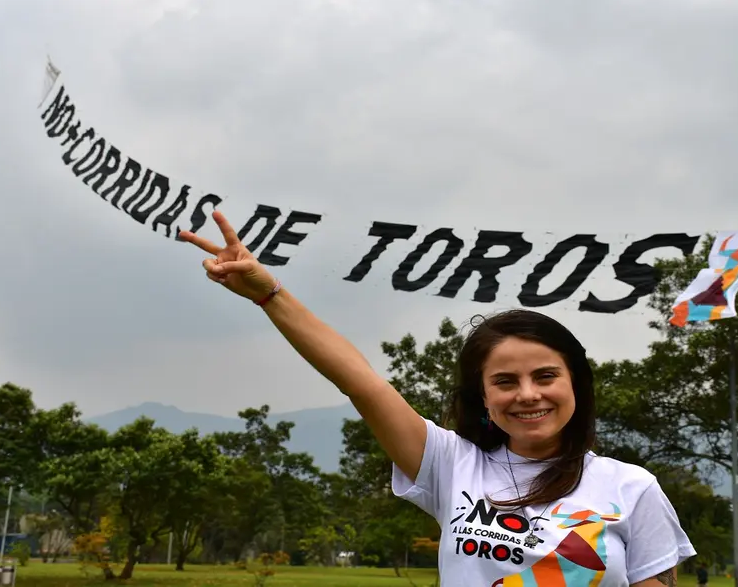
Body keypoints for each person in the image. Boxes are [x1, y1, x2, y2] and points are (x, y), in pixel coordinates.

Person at [181, 211, 696, 587]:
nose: (528, 395)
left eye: (545, 376)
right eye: (505, 382)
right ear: (484, 397)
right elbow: (362, 382)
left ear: (575, 385)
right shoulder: (453, 464)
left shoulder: (632, 488)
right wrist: (270, 293)